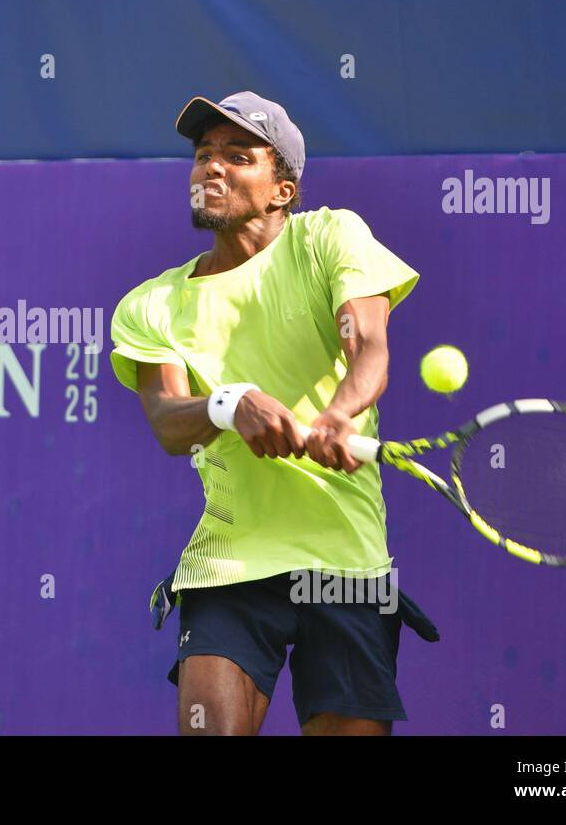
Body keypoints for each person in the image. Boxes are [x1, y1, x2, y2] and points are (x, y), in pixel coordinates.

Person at [111, 91, 438, 736]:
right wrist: (228, 404)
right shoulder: (151, 305)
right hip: (231, 561)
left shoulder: (329, 239)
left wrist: (340, 417)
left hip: (346, 566)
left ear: (282, 189)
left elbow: (368, 345)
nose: (213, 168)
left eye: (238, 156)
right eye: (203, 154)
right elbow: (167, 420)